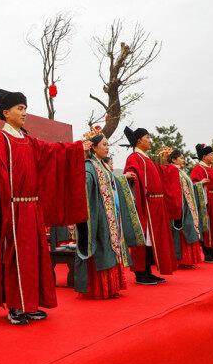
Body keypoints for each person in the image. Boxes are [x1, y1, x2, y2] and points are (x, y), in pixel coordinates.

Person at [0, 87, 88, 324]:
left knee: (34, 258)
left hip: (32, 209)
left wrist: (77, 147)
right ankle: (15, 306)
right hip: (13, 209)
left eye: (25, 108)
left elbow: (54, 151)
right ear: (6, 112)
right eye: (20, 108)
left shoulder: (29, 141)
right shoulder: (0, 140)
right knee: (16, 258)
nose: (24, 113)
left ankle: (30, 304)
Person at [74, 127, 141, 299]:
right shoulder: (89, 167)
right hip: (99, 216)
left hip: (110, 215)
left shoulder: (103, 165)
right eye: (104, 144)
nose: (107, 148)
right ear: (93, 147)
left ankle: (111, 287)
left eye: (108, 145)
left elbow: (111, 184)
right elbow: (84, 186)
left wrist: (122, 178)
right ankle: (99, 289)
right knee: (101, 247)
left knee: (109, 248)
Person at [123, 126, 177, 284]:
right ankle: (141, 273)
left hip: (155, 205)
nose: (150, 140)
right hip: (145, 204)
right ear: (139, 140)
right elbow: (130, 172)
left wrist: (169, 167)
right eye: (147, 137)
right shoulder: (134, 157)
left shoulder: (146, 158)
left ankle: (148, 271)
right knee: (143, 238)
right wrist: (130, 177)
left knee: (151, 240)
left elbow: (160, 174)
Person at [158, 148, 203, 268]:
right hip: (180, 205)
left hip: (187, 204)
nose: (183, 160)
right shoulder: (172, 171)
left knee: (188, 229)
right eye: (181, 158)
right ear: (173, 160)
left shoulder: (181, 171)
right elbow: (171, 189)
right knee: (181, 230)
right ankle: (180, 259)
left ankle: (187, 260)